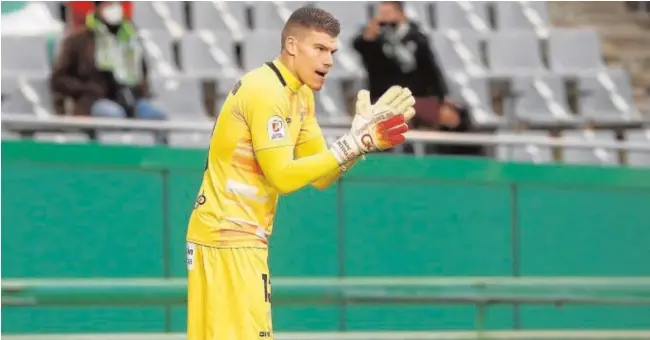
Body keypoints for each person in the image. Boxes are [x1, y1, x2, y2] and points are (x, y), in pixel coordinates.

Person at [184, 6, 416, 340]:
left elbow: (321, 175)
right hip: (227, 238)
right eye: (319, 49)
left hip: (237, 238)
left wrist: (360, 145)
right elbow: (282, 177)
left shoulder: (300, 95)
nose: (329, 61)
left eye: (332, 51)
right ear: (292, 46)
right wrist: (352, 143)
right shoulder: (265, 91)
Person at [50, 1, 166, 142]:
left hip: (132, 100)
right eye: (109, 4)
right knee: (112, 115)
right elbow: (59, 79)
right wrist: (87, 90)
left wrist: (138, 90)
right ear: (98, 8)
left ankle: (157, 161)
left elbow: (143, 72)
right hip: (94, 101)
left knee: (157, 116)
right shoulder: (78, 40)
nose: (114, 8)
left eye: (117, 4)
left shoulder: (131, 39)